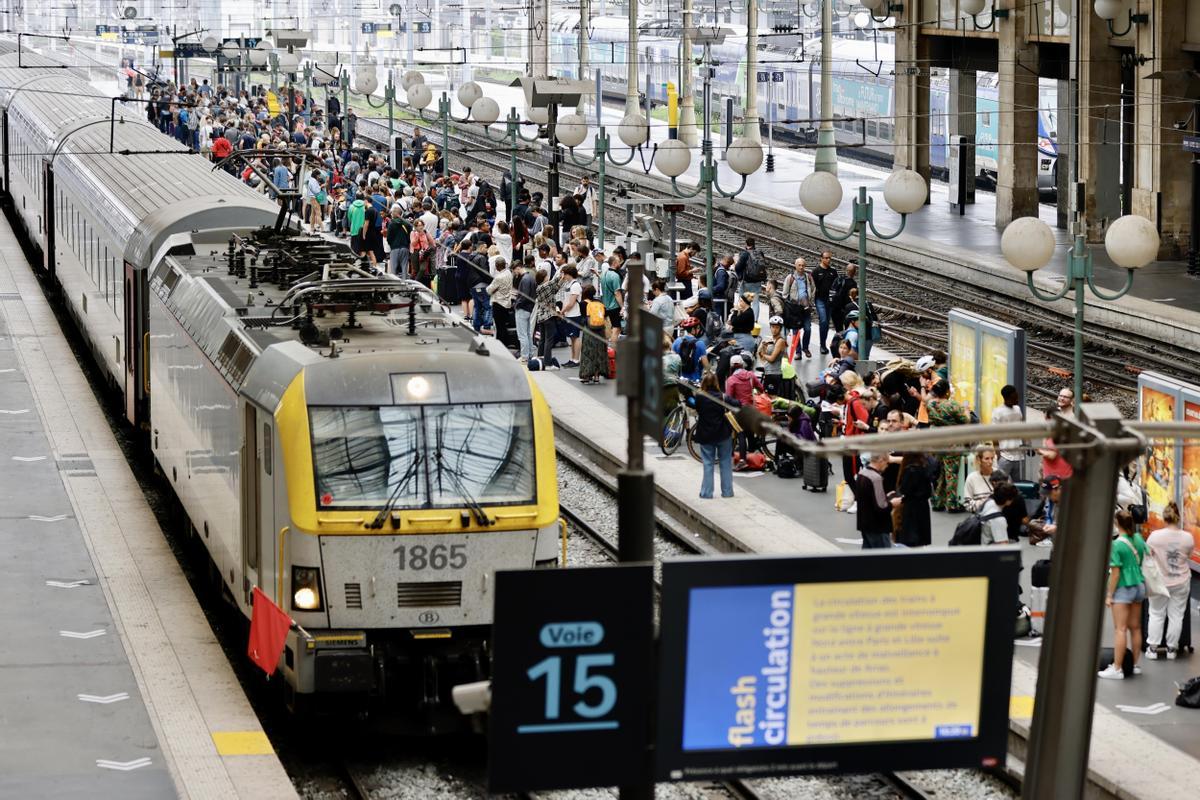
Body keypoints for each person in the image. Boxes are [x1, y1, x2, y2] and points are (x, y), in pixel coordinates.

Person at [1098, 510, 1148, 680]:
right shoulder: (1139, 539)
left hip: (1123, 588)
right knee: (1136, 628)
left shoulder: (1117, 544)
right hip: (1139, 585)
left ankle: (1117, 668)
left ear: (1116, 524)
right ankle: (1133, 665)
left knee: (1120, 629)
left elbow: (1116, 573)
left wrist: (1109, 594)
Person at [1145, 502, 1193, 660]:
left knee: (1156, 614)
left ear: (1164, 518)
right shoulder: (1188, 538)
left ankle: (1152, 649)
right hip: (1181, 581)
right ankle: (1172, 649)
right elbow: (1188, 555)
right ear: (1178, 517)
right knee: (1176, 616)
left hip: (1160, 581)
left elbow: (1148, 556)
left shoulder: (1154, 537)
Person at [926, 379, 969, 512]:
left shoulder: (930, 405)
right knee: (951, 473)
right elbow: (965, 420)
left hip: (936, 442)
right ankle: (951, 503)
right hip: (952, 443)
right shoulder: (952, 405)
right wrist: (966, 409)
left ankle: (938, 501)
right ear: (946, 392)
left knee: (939, 473)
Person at [694, 371, 736, 499]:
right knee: (725, 462)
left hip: (706, 434)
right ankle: (727, 492)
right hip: (723, 433)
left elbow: (696, 409)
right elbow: (737, 404)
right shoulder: (723, 397)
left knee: (708, 463)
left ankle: (706, 493)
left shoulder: (700, 397)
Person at [856, 452, 899, 549]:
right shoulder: (876, 478)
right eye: (887, 463)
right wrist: (893, 503)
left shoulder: (862, 473)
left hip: (865, 523)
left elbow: (868, 499)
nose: (887, 466)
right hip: (878, 526)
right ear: (881, 461)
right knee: (883, 560)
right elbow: (881, 507)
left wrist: (885, 497)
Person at [895, 452, 933, 547]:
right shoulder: (925, 467)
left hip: (911, 507)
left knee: (910, 537)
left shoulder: (910, 470)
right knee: (920, 537)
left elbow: (904, 489)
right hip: (923, 506)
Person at [782, 257, 816, 358]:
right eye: (799, 265)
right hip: (795, 309)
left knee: (808, 328)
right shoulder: (790, 278)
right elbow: (785, 293)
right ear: (795, 266)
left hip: (806, 308)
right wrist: (789, 305)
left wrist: (810, 301)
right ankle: (798, 352)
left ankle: (805, 347)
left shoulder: (808, 277)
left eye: (803, 265)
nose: (801, 267)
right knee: (795, 331)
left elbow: (814, 289)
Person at [991, 384, 1025, 479]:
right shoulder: (998, 412)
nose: (1018, 399)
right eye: (1015, 397)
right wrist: (998, 454)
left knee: (1018, 486)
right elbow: (994, 435)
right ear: (1008, 398)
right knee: (1001, 484)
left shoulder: (1018, 409)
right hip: (1005, 456)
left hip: (1019, 456)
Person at [579, 286, 608, 384]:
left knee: (588, 353)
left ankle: (586, 376)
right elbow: (605, 315)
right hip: (600, 330)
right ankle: (596, 376)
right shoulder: (600, 303)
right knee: (599, 353)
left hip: (589, 331)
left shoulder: (583, 304)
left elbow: (582, 318)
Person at [735, 237, 767, 320]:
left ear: (746, 244)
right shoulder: (760, 253)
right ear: (754, 244)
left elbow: (738, 267)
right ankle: (755, 321)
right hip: (757, 281)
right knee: (755, 302)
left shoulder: (745, 254)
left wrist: (737, 264)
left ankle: (741, 317)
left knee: (742, 300)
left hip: (746, 281)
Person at [486, 257, 514, 348]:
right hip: (506, 302)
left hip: (498, 303)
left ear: (497, 266)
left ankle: (500, 344)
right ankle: (505, 342)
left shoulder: (498, 278)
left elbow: (489, 290)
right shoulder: (509, 273)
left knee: (499, 326)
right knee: (503, 325)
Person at [962, 446, 999, 513]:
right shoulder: (971, 478)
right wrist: (986, 503)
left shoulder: (1000, 475)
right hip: (981, 517)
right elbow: (967, 504)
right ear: (979, 460)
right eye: (987, 459)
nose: (990, 462)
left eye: (992, 458)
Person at [559, 265, 583, 367]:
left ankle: (576, 360)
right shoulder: (568, 284)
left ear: (569, 274)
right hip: (568, 314)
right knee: (572, 338)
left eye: (564, 273)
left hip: (574, 314)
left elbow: (572, 302)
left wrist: (562, 311)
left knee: (575, 337)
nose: (563, 275)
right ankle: (572, 358)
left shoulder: (575, 285)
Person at [757, 316, 788, 397]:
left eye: (777, 327)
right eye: (773, 327)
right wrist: (763, 347)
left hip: (775, 373)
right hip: (768, 372)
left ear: (780, 329)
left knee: (771, 399)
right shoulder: (771, 340)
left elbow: (772, 359)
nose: (774, 329)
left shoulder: (780, 341)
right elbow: (763, 359)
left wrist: (763, 354)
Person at [672, 317, 708, 383]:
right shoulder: (700, 344)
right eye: (698, 328)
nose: (699, 330)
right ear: (693, 330)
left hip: (680, 378)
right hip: (695, 379)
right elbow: (706, 365)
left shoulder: (677, 341)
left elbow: (673, 360)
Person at [514, 261, 538, 362]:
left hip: (523, 308)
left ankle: (524, 356)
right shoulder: (531, 277)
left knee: (522, 334)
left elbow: (524, 296)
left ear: (518, 268)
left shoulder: (524, 279)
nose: (514, 272)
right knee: (528, 333)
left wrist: (516, 304)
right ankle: (530, 354)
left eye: (514, 270)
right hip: (529, 308)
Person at [386, 207, 412, 275]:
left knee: (393, 269)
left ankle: (394, 284)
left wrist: (391, 244)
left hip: (394, 248)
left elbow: (389, 237)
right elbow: (410, 234)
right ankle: (404, 282)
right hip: (405, 247)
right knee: (404, 268)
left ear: (395, 214)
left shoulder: (391, 224)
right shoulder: (406, 223)